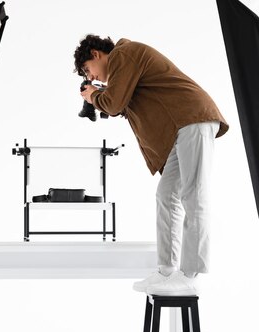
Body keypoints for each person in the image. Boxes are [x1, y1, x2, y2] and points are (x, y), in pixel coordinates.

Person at [75, 35, 228, 296]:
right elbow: (121, 105)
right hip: (180, 127)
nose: (92, 78)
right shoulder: (125, 67)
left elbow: (113, 104)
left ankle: (190, 275)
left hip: (193, 118)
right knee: (166, 195)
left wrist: (95, 96)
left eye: (88, 70)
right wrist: (99, 95)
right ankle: (167, 271)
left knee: (193, 194)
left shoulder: (124, 54)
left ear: (96, 53)